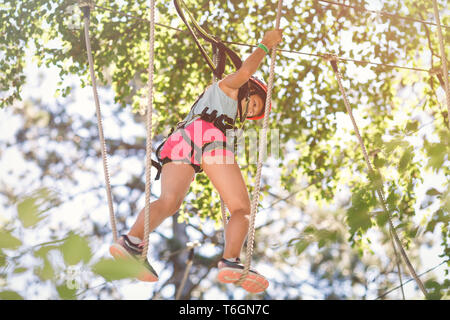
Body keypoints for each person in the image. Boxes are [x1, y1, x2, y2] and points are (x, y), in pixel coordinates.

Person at [109, 29, 283, 293]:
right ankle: (231, 260)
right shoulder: (228, 86)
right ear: (248, 89)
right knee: (241, 209)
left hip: (181, 144)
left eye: (256, 111)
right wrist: (265, 46)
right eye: (255, 103)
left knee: (170, 202)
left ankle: (131, 241)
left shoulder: (215, 102)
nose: (251, 110)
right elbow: (246, 71)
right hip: (208, 140)